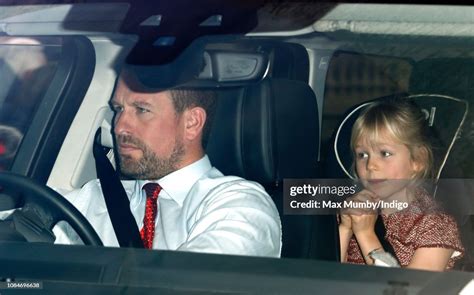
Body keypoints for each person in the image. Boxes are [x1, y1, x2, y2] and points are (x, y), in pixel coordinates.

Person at [53, 67, 282, 258]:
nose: (119, 126)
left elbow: (190, 285)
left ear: (192, 123)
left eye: (142, 110)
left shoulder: (239, 204)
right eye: (118, 109)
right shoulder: (94, 197)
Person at [338, 98, 464, 271]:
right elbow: (324, 277)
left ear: (417, 161)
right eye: (362, 155)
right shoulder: (356, 212)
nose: (370, 165)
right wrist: (345, 227)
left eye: (385, 153)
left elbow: (408, 288)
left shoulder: (435, 226)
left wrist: (365, 234)